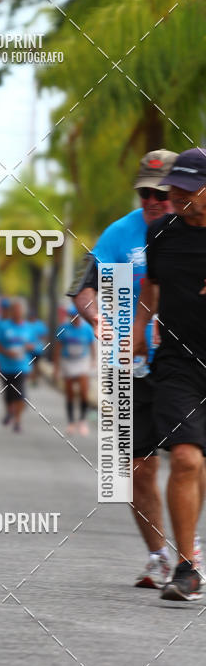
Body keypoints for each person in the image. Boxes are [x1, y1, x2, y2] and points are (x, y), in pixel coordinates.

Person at [72, 149, 185, 589]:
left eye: (162, 193)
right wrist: (100, 320)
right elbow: (84, 289)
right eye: (146, 193)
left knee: (189, 459)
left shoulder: (195, 231)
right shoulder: (120, 234)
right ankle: (159, 555)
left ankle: (189, 547)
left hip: (187, 362)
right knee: (136, 469)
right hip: (130, 366)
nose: (154, 201)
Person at [135, 147, 206, 600]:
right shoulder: (162, 233)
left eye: (186, 187)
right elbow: (151, 288)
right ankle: (186, 567)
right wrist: (139, 332)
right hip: (178, 364)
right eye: (172, 187)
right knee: (184, 458)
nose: (175, 194)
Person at [0, 298, 33, 433]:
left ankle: (18, 420)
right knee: (8, 392)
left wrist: (29, 347)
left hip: (22, 366)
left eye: (19, 310)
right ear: (11, 312)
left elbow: (33, 345)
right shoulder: (3, 327)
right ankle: (9, 411)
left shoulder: (28, 327)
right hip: (5, 365)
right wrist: (5, 352)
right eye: (14, 310)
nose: (17, 312)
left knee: (19, 392)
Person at [53, 308, 95, 435]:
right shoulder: (63, 328)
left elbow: (91, 345)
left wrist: (93, 360)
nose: (74, 318)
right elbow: (57, 348)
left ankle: (82, 420)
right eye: (71, 316)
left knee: (83, 391)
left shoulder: (87, 329)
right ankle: (71, 422)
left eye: (76, 316)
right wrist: (56, 368)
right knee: (70, 392)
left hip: (82, 360)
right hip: (68, 361)